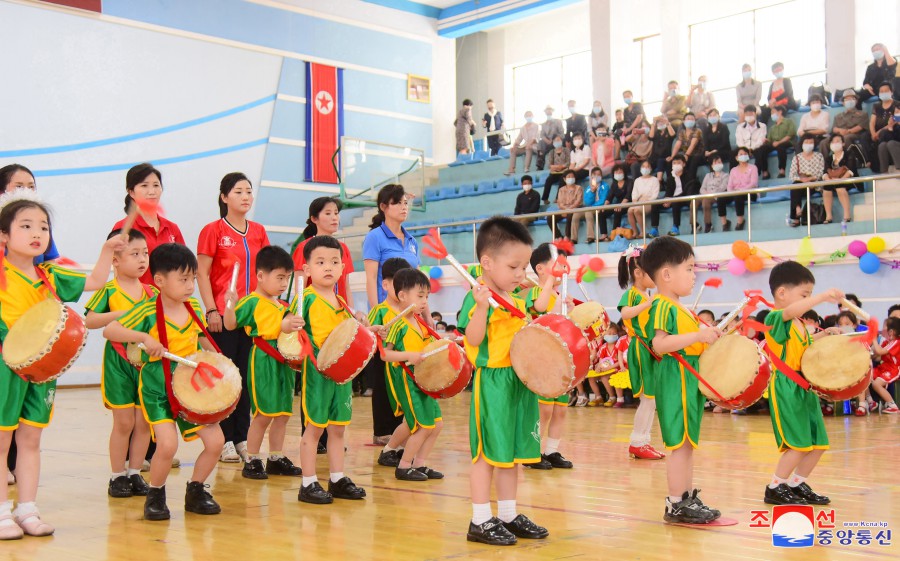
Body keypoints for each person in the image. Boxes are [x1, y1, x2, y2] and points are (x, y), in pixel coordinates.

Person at [0, 195, 127, 539]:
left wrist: (106, 252)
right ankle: (1, 513)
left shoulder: (50, 275)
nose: (37, 232)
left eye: (43, 227)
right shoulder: (2, 275)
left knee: (31, 439)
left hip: (42, 371)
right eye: (25, 226)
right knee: (1, 441)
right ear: (4, 237)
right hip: (4, 368)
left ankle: (27, 508)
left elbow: (95, 282)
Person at [104, 243, 225, 521]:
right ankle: (155, 494)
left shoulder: (193, 306)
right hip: (158, 388)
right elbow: (111, 330)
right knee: (167, 446)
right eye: (183, 279)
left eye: (193, 278)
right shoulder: (147, 310)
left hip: (190, 387)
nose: (190, 285)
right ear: (159, 281)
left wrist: (218, 360)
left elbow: (203, 338)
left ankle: (196, 490)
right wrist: (145, 338)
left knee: (216, 441)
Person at [457, 216, 548, 546]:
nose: (521, 275)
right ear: (487, 262)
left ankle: (508, 513)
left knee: (512, 454)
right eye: (514, 267)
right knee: (487, 456)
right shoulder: (477, 297)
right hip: (493, 382)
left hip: (519, 381)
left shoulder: (516, 298)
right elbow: (473, 337)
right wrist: (481, 308)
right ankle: (480, 519)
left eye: (524, 267)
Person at [642, 237, 722, 523]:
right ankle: (675, 503)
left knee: (687, 443)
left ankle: (686, 497)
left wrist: (707, 338)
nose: (694, 275)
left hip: (688, 378)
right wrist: (699, 335)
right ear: (666, 275)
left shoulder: (681, 308)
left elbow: (689, 344)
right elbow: (660, 344)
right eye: (688, 269)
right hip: (675, 378)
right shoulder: (663, 305)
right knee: (678, 444)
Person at [295, 236, 381, 504]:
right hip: (318, 374)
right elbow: (286, 327)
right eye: (320, 262)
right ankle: (308, 482)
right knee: (314, 428)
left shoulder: (342, 303)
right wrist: (288, 324)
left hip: (341, 375)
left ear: (343, 268)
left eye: (334, 262)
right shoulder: (305, 298)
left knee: (338, 429)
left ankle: (336, 478)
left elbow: (348, 337)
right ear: (307, 269)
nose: (328, 267)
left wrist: (368, 330)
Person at [197, 172, 270, 464]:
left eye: (249, 191)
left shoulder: (259, 231)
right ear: (224, 197)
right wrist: (211, 309)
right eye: (238, 191)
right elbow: (202, 273)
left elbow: (265, 273)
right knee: (224, 379)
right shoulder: (213, 230)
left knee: (245, 379)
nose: (245, 196)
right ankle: (223, 438)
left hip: (251, 318)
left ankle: (241, 437)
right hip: (222, 316)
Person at [761, 261, 843, 506]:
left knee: (817, 444)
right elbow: (787, 313)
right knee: (797, 444)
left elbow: (803, 350)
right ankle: (775, 486)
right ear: (782, 293)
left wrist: (824, 334)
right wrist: (821, 297)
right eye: (804, 294)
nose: (808, 299)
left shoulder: (799, 324)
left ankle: (795, 483)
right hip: (786, 386)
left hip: (805, 387)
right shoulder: (776, 317)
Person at [84, 229, 155, 499]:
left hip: (146, 364)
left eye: (145, 253)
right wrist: (123, 313)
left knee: (143, 422)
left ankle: (135, 471)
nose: (142, 259)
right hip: (118, 362)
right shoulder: (109, 290)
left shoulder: (151, 292)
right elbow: (90, 320)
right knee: (124, 422)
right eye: (134, 254)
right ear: (115, 260)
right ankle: (117, 475)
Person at [223, 246, 303, 480]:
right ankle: (252, 459)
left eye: (287, 278)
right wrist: (230, 304)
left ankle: (276, 458)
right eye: (279, 277)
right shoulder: (251, 301)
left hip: (284, 364)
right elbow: (230, 325)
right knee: (263, 415)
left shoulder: (283, 305)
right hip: (263, 361)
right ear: (260, 276)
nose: (283, 283)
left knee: (283, 414)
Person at [362, 185, 423, 441]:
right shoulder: (375, 237)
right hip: (387, 314)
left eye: (406, 203)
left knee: (405, 370)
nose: (404, 207)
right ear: (384, 207)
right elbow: (371, 278)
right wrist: (377, 315)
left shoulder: (411, 241)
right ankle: (383, 431)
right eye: (397, 203)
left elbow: (419, 284)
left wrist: (426, 316)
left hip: (410, 315)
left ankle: (404, 426)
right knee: (384, 373)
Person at [381, 269, 444, 482]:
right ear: (402, 296)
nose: (425, 301)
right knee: (422, 425)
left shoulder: (420, 322)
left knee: (436, 424)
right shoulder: (397, 324)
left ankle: (419, 463)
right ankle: (404, 466)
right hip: (408, 380)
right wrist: (409, 355)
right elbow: (385, 354)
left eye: (427, 296)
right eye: (420, 296)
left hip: (424, 380)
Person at [524, 244, 576, 467]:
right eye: (555, 264)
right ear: (541, 269)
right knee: (543, 409)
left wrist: (571, 307)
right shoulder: (537, 290)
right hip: (542, 358)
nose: (560, 269)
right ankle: (532, 451)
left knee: (560, 410)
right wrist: (549, 286)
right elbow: (541, 308)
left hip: (560, 360)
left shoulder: (561, 293)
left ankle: (552, 450)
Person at [617, 247, 665, 460]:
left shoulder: (646, 295)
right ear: (638, 273)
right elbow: (625, 313)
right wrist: (648, 304)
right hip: (640, 348)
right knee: (647, 398)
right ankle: (637, 442)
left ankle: (643, 441)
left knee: (651, 399)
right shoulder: (632, 294)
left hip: (650, 348)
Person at [370, 257, 414, 468]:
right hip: (383, 362)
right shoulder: (379, 310)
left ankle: (401, 434)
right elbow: (369, 335)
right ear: (386, 285)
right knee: (383, 396)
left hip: (404, 364)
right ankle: (382, 433)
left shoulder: (411, 313)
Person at [111, 163, 185, 286]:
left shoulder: (172, 228)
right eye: (144, 186)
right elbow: (118, 270)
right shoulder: (123, 227)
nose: (152, 192)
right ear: (131, 192)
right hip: (137, 301)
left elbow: (182, 268)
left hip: (168, 301)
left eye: (156, 185)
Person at [0, 164, 60, 264]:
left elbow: (50, 261)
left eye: (31, 186)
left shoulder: (40, 221)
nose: (27, 191)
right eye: (19, 186)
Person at [787, 134, 826, 227]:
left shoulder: (819, 156)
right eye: (806, 142)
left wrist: (811, 179)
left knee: (797, 187)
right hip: (802, 183)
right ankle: (797, 210)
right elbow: (792, 175)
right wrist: (802, 180)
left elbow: (821, 172)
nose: (809, 144)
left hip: (814, 184)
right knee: (795, 185)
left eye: (811, 142)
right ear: (802, 144)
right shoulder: (797, 158)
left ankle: (796, 216)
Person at [821, 134, 858, 224]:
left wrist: (840, 180)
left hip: (849, 180)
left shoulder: (849, 154)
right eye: (833, 142)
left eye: (837, 141)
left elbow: (850, 170)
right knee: (826, 188)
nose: (835, 143)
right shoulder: (829, 158)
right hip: (833, 180)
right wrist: (828, 180)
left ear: (843, 143)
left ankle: (847, 215)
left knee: (840, 186)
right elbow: (825, 172)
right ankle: (828, 216)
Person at [825, 89, 870, 162]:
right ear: (843, 102)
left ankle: (849, 161)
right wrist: (840, 130)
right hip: (840, 135)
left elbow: (860, 127)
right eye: (846, 99)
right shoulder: (838, 116)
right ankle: (826, 163)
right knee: (825, 142)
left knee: (846, 138)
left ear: (856, 101)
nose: (849, 101)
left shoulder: (862, 114)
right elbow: (834, 128)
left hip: (854, 134)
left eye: (852, 98)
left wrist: (848, 131)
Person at [650, 155, 689, 237]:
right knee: (655, 203)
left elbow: (687, 191)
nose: (676, 165)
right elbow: (669, 191)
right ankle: (654, 229)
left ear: (684, 164)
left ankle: (676, 227)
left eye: (679, 163)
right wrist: (667, 199)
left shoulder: (688, 176)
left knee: (675, 203)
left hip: (684, 199)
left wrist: (672, 200)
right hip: (672, 199)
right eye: (674, 163)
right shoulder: (670, 178)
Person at [724, 146, 758, 231]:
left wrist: (741, 190)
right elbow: (729, 186)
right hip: (736, 193)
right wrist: (731, 192)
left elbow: (753, 183)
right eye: (741, 154)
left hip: (750, 193)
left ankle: (740, 221)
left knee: (738, 196)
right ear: (736, 158)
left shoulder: (753, 168)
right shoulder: (733, 170)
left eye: (745, 154)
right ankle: (724, 223)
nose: (743, 155)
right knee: (721, 199)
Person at [870, 317, 900, 414]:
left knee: (876, 384)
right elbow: (876, 354)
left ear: (891, 331)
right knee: (865, 377)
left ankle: (892, 405)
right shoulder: (887, 342)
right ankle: (870, 401)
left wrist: (874, 338)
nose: (882, 331)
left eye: (884, 328)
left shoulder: (896, 342)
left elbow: (880, 351)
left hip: (893, 370)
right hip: (883, 368)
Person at [595, 164, 632, 242]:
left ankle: (614, 234)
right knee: (601, 213)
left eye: (620, 172)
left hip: (628, 204)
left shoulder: (629, 181)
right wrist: (604, 206)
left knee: (617, 211)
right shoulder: (614, 184)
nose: (618, 173)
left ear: (624, 172)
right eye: (616, 172)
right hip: (617, 204)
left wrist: (621, 205)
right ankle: (604, 234)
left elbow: (628, 196)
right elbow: (609, 197)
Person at [571, 168, 608, 245]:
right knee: (576, 214)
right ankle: (573, 239)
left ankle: (590, 237)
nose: (597, 176)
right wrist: (592, 192)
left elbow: (603, 200)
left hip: (598, 207)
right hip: (590, 207)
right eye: (595, 175)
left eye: (599, 175)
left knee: (588, 212)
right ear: (592, 176)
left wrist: (593, 206)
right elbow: (587, 202)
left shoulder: (605, 186)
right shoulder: (588, 188)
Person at [669, 112, 704, 191]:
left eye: (692, 119)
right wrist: (672, 156)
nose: (690, 120)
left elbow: (693, 145)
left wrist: (686, 155)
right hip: (686, 154)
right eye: (688, 119)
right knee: (672, 161)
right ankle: (674, 185)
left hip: (698, 154)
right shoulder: (682, 132)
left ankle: (691, 184)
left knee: (692, 160)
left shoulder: (697, 131)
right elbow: (678, 144)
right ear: (684, 121)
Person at [871, 84, 900, 172]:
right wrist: (873, 134)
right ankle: (884, 172)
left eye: (886, 91)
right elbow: (872, 122)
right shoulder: (876, 106)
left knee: (888, 139)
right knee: (882, 145)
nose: (884, 93)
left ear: (891, 92)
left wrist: (881, 130)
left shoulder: (897, 105)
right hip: (885, 134)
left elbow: (897, 119)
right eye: (881, 91)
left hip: (895, 132)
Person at [735, 105, 769, 178]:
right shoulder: (740, 127)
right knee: (732, 154)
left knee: (760, 151)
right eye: (747, 114)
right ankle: (735, 176)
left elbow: (761, 140)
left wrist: (751, 149)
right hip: (743, 148)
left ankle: (756, 174)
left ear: (755, 114)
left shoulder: (762, 126)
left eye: (751, 114)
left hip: (756, 147)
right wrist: (745, 149)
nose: (749, 116)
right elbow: (739, 140)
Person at [628, 161, 660, 238]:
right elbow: (634, 193)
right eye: (643, 166)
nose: (645, 168)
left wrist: (646, 200)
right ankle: (635, 232)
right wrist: (635, 200)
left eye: (647, 166)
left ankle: (643, 232)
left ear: (651, 169)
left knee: (636, 210)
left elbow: (655, 195)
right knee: (630, 210)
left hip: (649, 202)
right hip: (639, 201)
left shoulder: (655, 180)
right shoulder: (637, 180)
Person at [550, 170, 583, 241]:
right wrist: (565, 209)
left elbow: (578, 201)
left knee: (570, 214)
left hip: (574, 209)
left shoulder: (578, 188)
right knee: (550, 218)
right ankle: (558, 236)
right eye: (569, 177)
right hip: (563, 210)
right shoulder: (561, 189)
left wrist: (570, 209)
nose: (571, 178)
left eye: (572, 176)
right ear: (564, 179)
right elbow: (560, 202)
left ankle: (567, 236)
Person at [699, 156, 729, 233]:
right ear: (712, 166)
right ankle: (694, 225)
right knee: (693, 201)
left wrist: (711, 195)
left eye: (720, 162)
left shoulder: (726, 175)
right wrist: (706, 194)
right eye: (716, 162)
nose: (718, 164)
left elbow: (722, 188)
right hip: (706, 195)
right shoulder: (707, 175)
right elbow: (702, 188)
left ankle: (708, 224)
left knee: (706, 201)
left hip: (716, 196)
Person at [767, 105, 797, 178]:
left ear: (780, 112)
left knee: (781, 147)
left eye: (773, 112)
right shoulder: (772, 127)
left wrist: (779, 142)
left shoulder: (789, 121)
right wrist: (766, 141)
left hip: (787, 142)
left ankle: (782, 171)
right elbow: (769, 140)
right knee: (762, 149)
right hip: (775, 143)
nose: (772, 115)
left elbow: (790, 135)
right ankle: (765, 172)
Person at [506, 111, 539, 175]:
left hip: (534, 146)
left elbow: (535, 138)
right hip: (525, 145)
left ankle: (526, 168)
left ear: (532, 116)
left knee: (528, 148)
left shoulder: (536, 126)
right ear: (525, 117)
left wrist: (529, 144)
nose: (529, 117)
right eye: (527, 116)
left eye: (530, 115)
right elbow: (519, 139)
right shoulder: (522, 128)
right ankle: (511, 169)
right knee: (514, 150)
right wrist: (514, 146)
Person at [541, 135, 570, 204]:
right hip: (554, 172)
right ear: (553, 142)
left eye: (559, 140)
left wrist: (562, 166)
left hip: (564, 171)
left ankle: (558, 198)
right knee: (548, 180)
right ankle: (545, 198)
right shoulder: (551, 152)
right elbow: (549, 164)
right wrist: (555, 167)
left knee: (562, 180)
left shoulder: (566, 150)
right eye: (556, 140)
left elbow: (568, 162)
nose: (557, 142)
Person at [648, 115, 675, 181]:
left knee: (661, 161)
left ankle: (659, 181)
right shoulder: (656, 132)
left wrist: (667, 123)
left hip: (666, 157)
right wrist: (653, 123)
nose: (661, 123)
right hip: (654, 157)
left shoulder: (669, 131)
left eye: (662, 121)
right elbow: (651, 137)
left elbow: (673, 135)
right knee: (645, 164)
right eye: (659, 122)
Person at [537, 105, 564, 170]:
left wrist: (555, 140)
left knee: (556, 143)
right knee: (541, 143)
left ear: (552, 111)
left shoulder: (558, 121)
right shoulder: (543, 124)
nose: (548, 112)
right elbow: (542, 135)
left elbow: (562, 133)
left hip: (556, 140)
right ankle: (540, 163)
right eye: (547, 110)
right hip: (548, 142)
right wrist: (547, 140)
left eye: (550, 110)